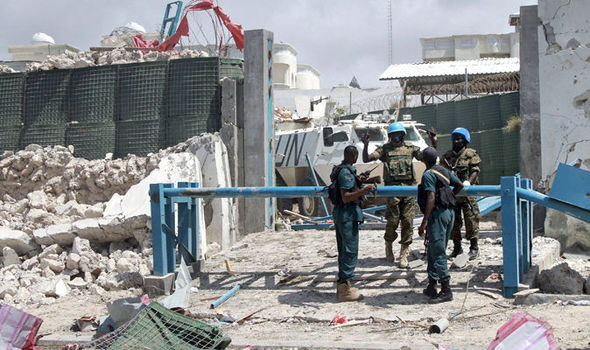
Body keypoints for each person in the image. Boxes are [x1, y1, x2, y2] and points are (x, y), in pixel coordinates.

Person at [362, 122, 437, 268]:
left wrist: (433, 144)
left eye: (398, 134)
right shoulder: (385, 149)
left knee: (408, 222)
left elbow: (428, 158)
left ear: (402, 134)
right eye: (393, 134)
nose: (395, 137)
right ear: (389, 136)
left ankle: (404, 253)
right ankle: (388, 245)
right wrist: (365, 145)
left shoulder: (410, 149)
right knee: (392, 221)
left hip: (408, 190)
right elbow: (367, 159)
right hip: (392, 191)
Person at [417, 147, 463, 303]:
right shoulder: (443, 171)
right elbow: (459, 185)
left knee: (438, 251)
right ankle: (432, 284)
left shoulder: (428, 175)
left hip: (437, 214)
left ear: (423, 160)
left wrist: (424, 222)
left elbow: (430, 197)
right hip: (449, 213)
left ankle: (446, 290)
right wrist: (448, 198)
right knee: (433, 248)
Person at [332, 145, 376, 302]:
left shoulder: (345, 170)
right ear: (354, 156)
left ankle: (344, 284)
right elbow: (346, 196)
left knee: (344, 250)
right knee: (349, 251)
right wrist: (365, 190)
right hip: (347, 215)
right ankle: (345, 290)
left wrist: (363, 181)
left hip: (344, 214)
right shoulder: (345, 172)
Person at [441, 127, 481, 260]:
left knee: (472, 219)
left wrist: (468, 182)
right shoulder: (447, 157)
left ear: (465, 141)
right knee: (453, 222)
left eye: (460, 139)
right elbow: (442, 173)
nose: (457, 141)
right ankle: (457, 247)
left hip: (468, 194)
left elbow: (475, 170)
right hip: (453, 194)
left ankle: (474, 248)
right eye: (455, 138)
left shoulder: (471, 154)